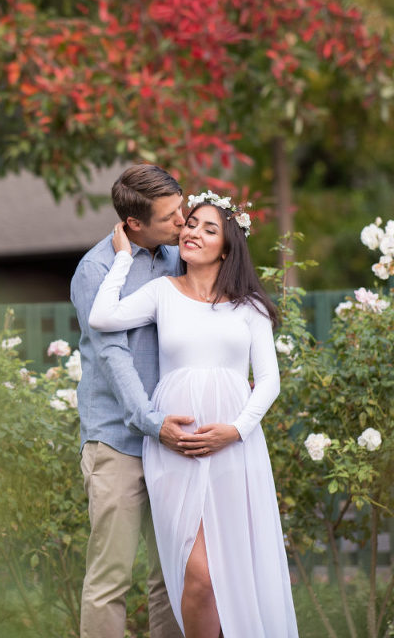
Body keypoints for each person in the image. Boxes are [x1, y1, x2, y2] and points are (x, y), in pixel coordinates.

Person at [88, 191, 299, 638]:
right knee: (199, 575)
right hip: (176, 447)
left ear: (227, 247)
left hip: (233, 449)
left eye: (209, 228)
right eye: (190, 224)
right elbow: (103, 317)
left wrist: (236, 431)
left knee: (232, 573)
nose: (193, 232)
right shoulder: (162, 292)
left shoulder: (249, 307)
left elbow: (269, 379)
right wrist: (123, 258)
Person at [70, 164, 193, 638]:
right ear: (134, 224)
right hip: (118, 442)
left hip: (170, 440)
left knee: (171, 578)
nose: (182, 222)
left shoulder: (176, 256)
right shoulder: (96, 270)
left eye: (181, 209)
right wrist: (150, 421)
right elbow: (112, 354)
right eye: (171, 217)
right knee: (111, 579)